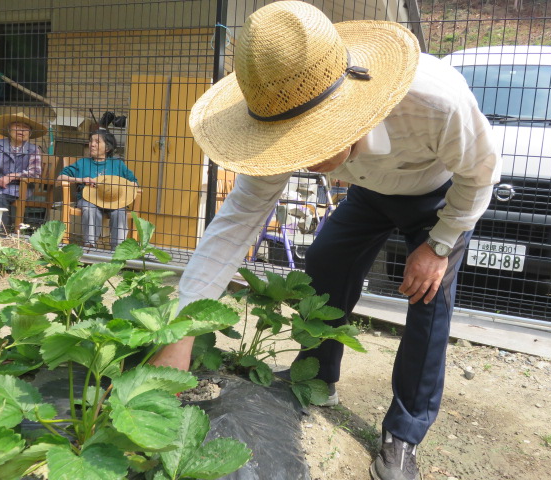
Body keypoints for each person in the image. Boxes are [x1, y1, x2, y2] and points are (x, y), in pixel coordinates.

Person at [153, 2, 501, 479]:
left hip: (439, 196)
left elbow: (481, 176)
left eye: (315, 140)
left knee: (429, 299)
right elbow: (237, 222)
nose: (304, 159)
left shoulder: (435, 101)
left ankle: (405, 432)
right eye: (295, 143)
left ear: (352, 112)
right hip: (369, 190)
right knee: (324, 266)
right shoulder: (280, 104)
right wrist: (181, 330)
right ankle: (318, 378)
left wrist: (439, 245)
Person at [57, 129, 138, 248]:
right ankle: (90, 246)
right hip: (88, 199)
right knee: (90, 208)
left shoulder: (117, 164)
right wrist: (81, 179)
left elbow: (134, 183)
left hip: (113, 201)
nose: (92, 144)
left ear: (107, 148)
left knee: (120, 212)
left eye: (97, 142)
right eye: (90, 141)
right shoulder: (82, 163)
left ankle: (119, 249)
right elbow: (60, 178)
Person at [0, 112, 47, 232]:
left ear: (30, 133)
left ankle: (0, 235)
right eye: (18, 126)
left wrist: (11, 176)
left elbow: (35, 172)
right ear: (9, 129)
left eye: (25, 128)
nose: (21, 130)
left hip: (20, 186)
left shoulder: (33, 149)